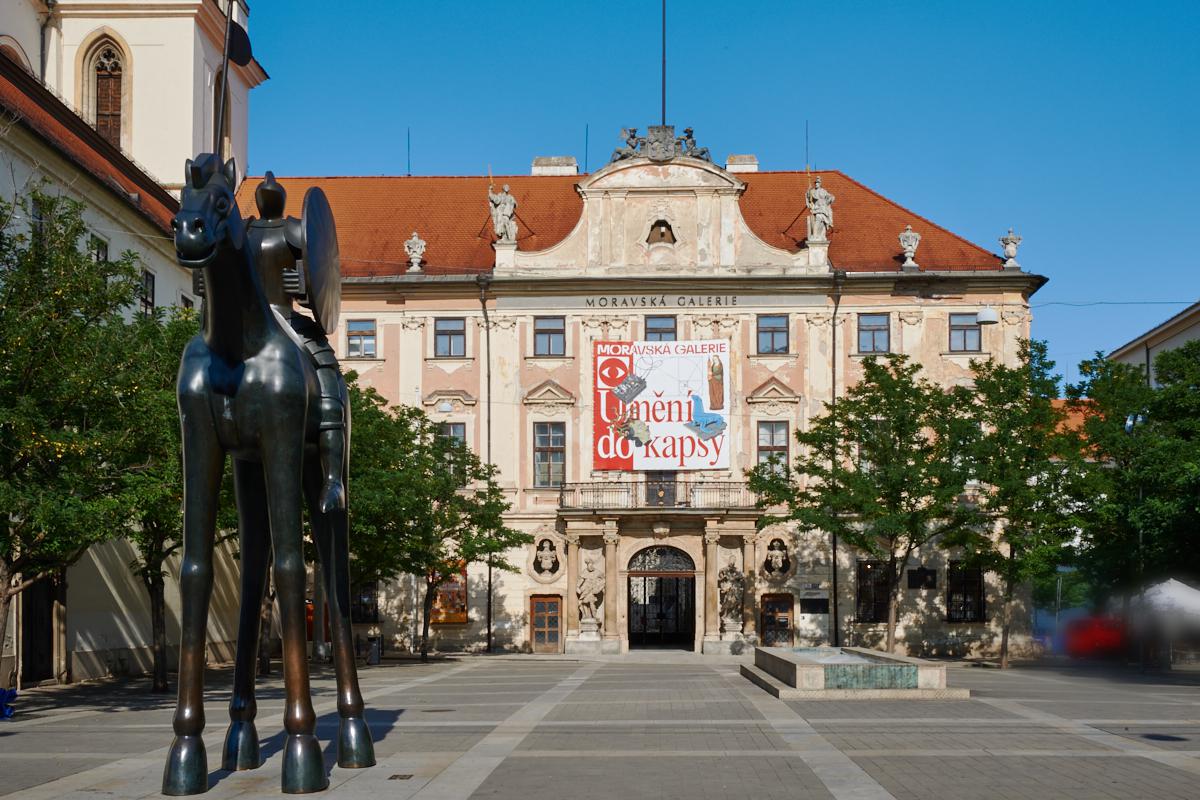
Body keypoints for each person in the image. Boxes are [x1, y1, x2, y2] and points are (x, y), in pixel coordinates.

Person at [247, 173, 347, 512]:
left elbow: (318, 278)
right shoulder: (242, 232)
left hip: (289, 319)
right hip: (251, 320)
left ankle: (333, 478)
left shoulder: (294, 231)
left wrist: (302, 283)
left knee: (327, 373)